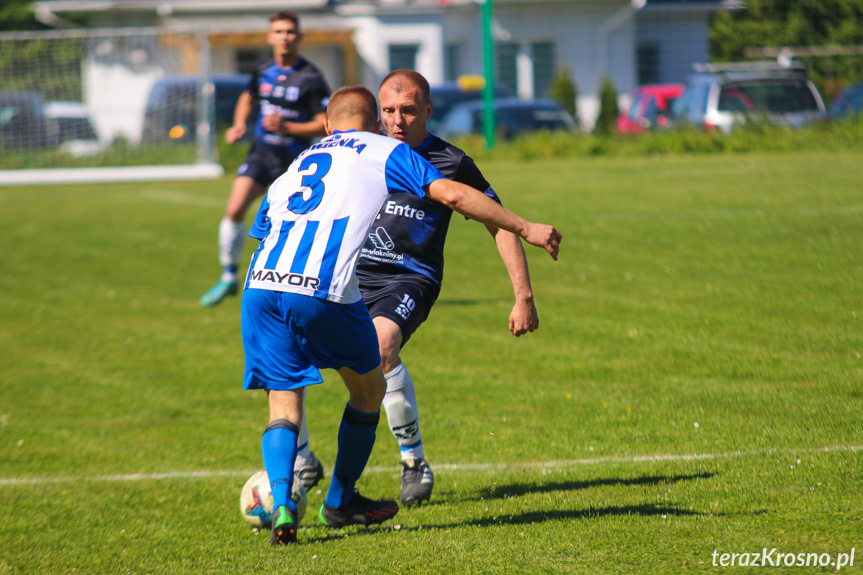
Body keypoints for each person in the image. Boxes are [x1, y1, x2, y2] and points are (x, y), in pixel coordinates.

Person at [242, 85, 561, 546]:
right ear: (375, 124)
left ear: (327, 125)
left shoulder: (301, 161)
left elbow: (264, 229)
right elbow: (450, 194)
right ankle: (340, 500)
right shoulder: (382, 149)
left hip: (261, 286)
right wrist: (527, 226)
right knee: (369, 389)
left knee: (283, 401)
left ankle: (284, 502)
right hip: (325, 288)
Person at [297, 70, 541, 507]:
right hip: (351, 274)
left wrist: (523, 296)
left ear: (428, 110)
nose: (397, 121)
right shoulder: (362, 154)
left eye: (408, 110)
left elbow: (499, 224)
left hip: (409, 277)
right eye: (388, 111)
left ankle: (413, 461)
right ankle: (301, 461)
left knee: (382, 345)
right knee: (289, 349)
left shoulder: (451, 162)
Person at [200, 10, 330, 307]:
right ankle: (228, 276)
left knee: (294, 224)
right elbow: (248, 97)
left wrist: (289, 127)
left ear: (299, 37)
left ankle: (300, 282)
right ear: (270, 37)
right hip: (261, 153)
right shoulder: (263, 70)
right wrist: (239, 124)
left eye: (290, 32)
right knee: (234, 209)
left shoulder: (310, 77)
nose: (285, 37)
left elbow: (324, 122)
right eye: (279, 32)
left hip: (295, 161)